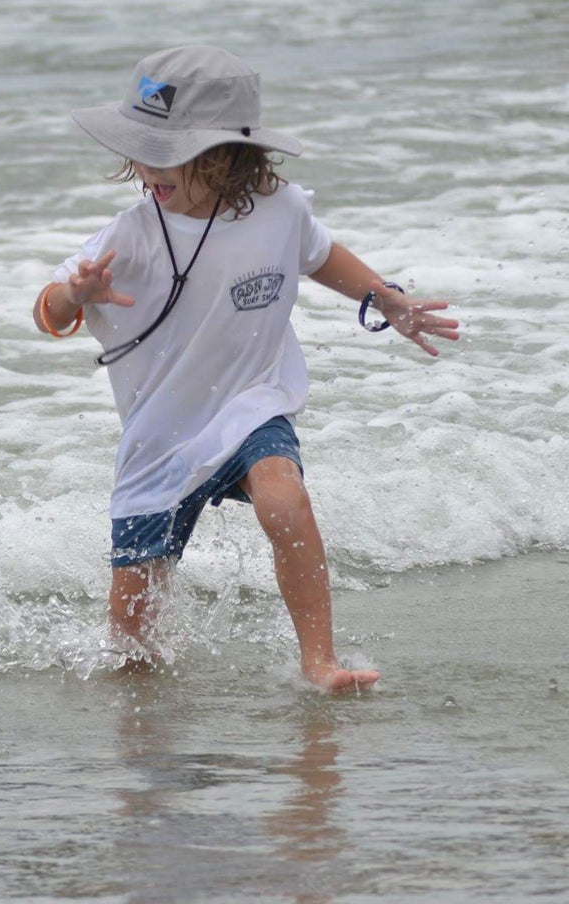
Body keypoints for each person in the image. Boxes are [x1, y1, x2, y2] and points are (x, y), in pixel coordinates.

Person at [33, 45, 460, 694]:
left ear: (226, 155)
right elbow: (46, 312)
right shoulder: (130, 235)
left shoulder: (280, 207)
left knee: (285, 501)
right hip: (160, 440)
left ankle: (319, 662)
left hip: (252, 402)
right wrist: (76, 296)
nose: (149, 166)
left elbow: (318, 254)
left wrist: (384, 298)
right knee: (134, 653)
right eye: (141, 147)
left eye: (168, 150)